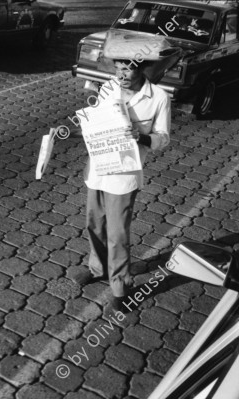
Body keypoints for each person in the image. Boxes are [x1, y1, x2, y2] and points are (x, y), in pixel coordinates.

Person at [73, 59, 171, 312]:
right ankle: (98, 268)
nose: (121, 73)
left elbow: (164, 139)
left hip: (124, 175)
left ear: (142, 69)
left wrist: (142, 137)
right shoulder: (108, 87)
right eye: (118, 68)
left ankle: (120, 286)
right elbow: (96, 125)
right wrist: (67, 132)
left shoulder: (158, 96)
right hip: (98, 168)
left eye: (127, 68)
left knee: (117, 234)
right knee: (94, 222)